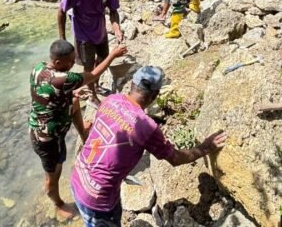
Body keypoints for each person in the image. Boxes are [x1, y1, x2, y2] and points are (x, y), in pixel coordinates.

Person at [70, 66, 227, 227]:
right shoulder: (146, 127)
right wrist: (205, 147)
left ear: (132, 83)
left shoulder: (111, 99)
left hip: (77, 177)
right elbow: (175, 158)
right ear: (155, 95)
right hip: (97, 199)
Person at [29, 39, 127, 219]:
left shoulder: (38, 68)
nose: (74, 63)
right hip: (47, 140)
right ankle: (58, 204)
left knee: (74, 101)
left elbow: (47, 92)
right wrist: (112, 55)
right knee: (53, 177)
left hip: (44, 128)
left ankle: (83, 134)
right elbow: (94, 74)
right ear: (58, 62)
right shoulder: (64, 79)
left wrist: (71, 92)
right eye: (71, 61)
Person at [58, 0, 123, 105]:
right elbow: (61, 11)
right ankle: (92, 96)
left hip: (100, 29)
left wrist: (117, 28)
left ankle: (95, 85)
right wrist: (62, 38)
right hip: (83, 33)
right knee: (88, 65)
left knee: (103, 59)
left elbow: (113, 11)